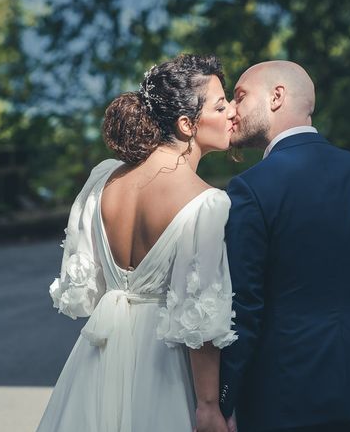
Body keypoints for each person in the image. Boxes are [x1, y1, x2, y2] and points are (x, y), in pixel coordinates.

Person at [36, 54, 238, 432]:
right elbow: (199, 315)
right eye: (221, 105)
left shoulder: (104, 177)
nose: (232, 114)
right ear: (186, 124)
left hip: (101, 354)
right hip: (163, 364)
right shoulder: (207, 202)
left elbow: (86, 290)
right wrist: (209, 405)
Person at [219, 61, 350, 432]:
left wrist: (225, 399)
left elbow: (244, 303)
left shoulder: (251, 188)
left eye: (240, 96)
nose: (232, 108)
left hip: (282, 401)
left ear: (277, 97)